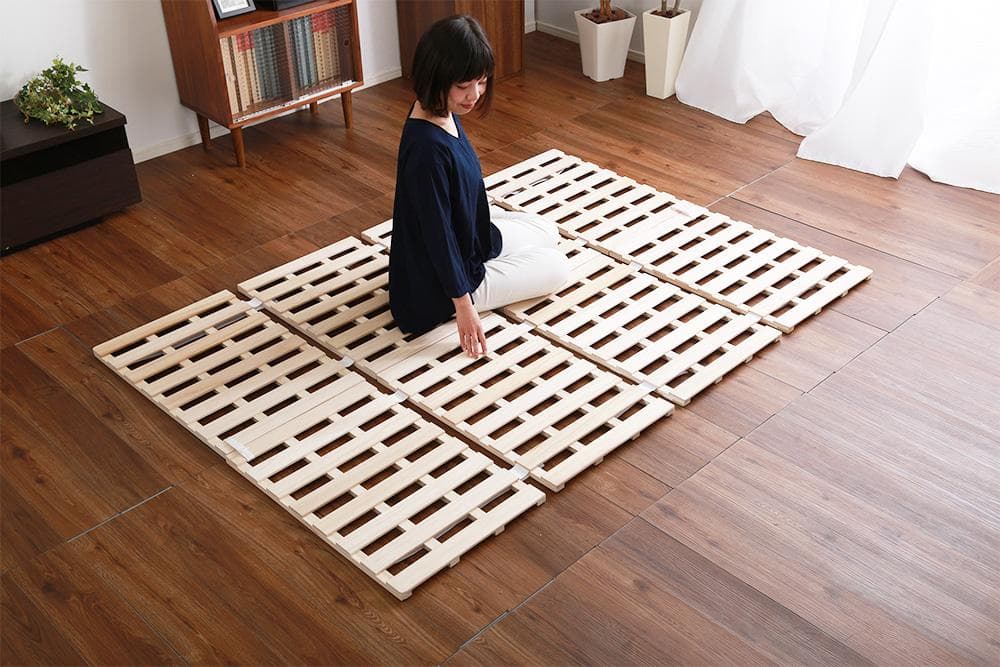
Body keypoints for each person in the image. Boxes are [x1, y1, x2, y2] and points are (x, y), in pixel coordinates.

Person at [388, 15, 569, 358]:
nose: (474, 95)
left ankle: (493, 254)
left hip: (470, 242)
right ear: (436, 77)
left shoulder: (438, 108)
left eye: (481, 81)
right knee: (557, 266)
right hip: (438, 288)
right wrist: (464, 306)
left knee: (546, 229)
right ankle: (469, 290)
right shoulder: (428, 151)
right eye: (463, 85)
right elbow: (438, 235)